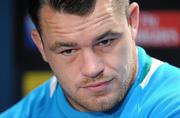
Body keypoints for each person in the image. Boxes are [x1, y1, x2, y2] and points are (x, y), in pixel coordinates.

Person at [1, 0, 180, 117]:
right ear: (41, 46)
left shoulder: (173, 104)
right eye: (68, 51)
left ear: (132, 21)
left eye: (105, 41)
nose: (92, 68)